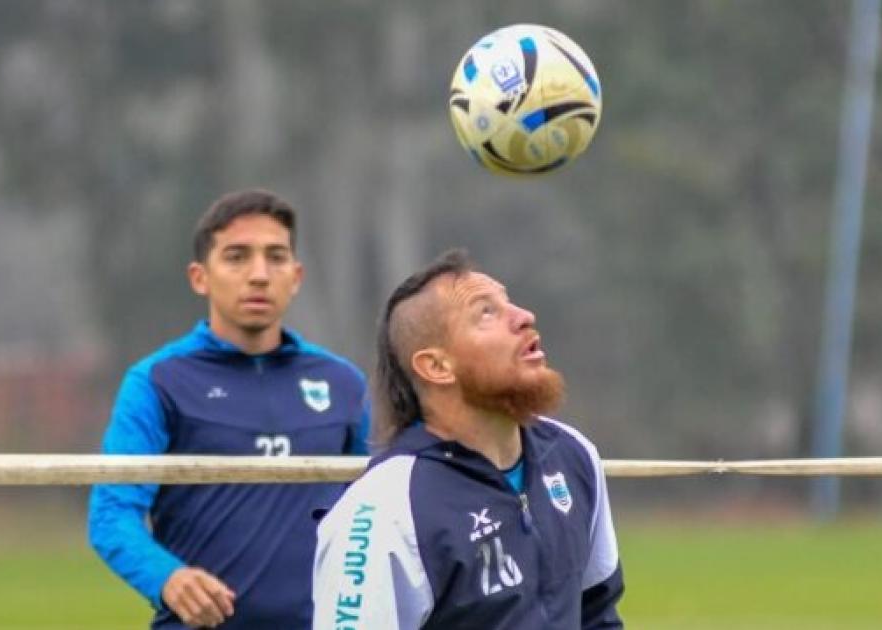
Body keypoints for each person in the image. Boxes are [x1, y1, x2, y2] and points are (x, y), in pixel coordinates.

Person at [89, 188, 370, 629]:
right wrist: (170, 578)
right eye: (237, 257)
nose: (259, 274)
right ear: (200, 277)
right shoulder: (157, 382)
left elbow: (374, 513)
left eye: (275, 257)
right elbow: (111, 514)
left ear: (296, 276)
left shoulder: (344, 384)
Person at [312, 249, 624, 629]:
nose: (524, 317)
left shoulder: (573, 454)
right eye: (486, 313)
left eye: (508, 302)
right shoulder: (383, 509)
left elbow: (596, 612)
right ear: (437, 366)